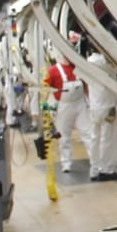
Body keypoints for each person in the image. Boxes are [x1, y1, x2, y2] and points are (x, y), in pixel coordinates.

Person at [44, 46, 90, 175]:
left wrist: (89, 102)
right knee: (64, 136)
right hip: (64, 106)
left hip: (80, 104)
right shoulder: (53, 71)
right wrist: (47, 108)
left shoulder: (79, 69)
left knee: (88, 133)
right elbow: (46, 89)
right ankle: (66, 163)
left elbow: (86, 85)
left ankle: (95, 161)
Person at [85, 51, 117, 182]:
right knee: (108, 139)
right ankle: (106, 170)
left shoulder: (88, 61)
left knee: (95, 138)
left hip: (94, 105)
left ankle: (94, 169)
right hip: (107, 106)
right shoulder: (104, 63)